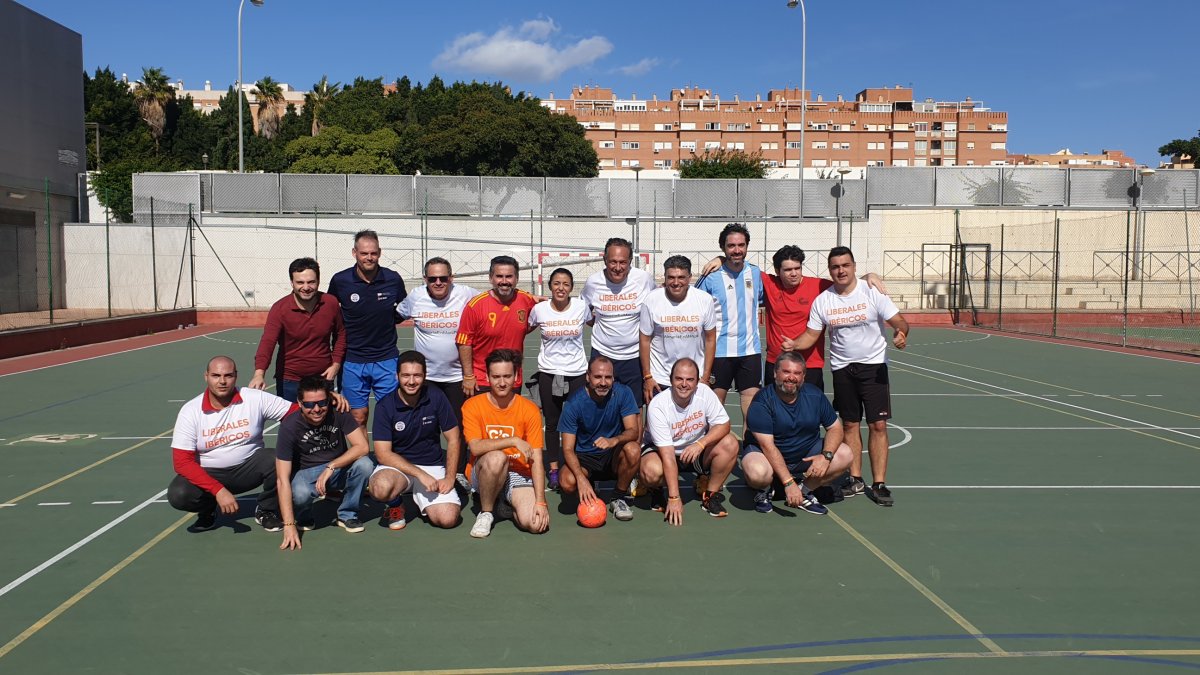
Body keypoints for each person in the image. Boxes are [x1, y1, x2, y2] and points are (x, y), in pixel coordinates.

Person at [792, 246, 909, 506]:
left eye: (845, 265)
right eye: (835, 267)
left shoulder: (872, 292)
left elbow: (900, 322)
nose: (840, 270)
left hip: (873, 367)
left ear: (854, 266)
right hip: (843, 369)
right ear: (830, 270)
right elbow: (812, 334)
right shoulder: (824, 300)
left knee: (878, 425)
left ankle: (879, 483)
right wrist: (792, 345)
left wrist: (901, 334)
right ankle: (855, 478)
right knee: (849, 425)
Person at [701, 245, 887, 393]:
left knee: (811, 415)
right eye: (788, 269)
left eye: (797, 268)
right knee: (775, 414)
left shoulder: (819, 286)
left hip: (810, 363)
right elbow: (737, 261)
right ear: (777, 271)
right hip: (776, 362)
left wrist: (870, 275)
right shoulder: (768, 283)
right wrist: (722, 258)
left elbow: (847, 282)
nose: (794, 273)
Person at [167, 356, 298, 533]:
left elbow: (295, 413)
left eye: (228, 376)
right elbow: (182, 462)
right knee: (179, 494)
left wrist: (328, 400)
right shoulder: (190, 411)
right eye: (216, 375)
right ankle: (208, 510)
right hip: (210, 472)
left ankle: (266, 509)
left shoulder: (253, 399)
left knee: (279, 459)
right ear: (206, 376)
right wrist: (218, 490)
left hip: (249, 468)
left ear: (236, 376)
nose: (222, 381)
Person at [740, 352, 854, 516]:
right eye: (786, 372)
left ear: (803, 376)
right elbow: (767, 446)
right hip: (766, 456)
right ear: (775, 373)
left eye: (797, 373)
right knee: (756, 472)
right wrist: (788, 483)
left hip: (804, 454)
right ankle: (765, 490)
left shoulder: (815, 395)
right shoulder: (762, 401)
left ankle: (805, 490)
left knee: (845, 454)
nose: (791, 378)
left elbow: (835, 428)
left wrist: (825, 456)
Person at [367, 350, 463, 531]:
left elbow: (453, 438)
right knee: (380, 488)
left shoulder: (436, 397)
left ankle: (421, 498)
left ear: (425, 376)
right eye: (406, 375)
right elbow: (382, 454)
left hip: (432, 465)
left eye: (417, 375)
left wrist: (450, 477)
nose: (411, 381)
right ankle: (396, 505)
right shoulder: (385, 405)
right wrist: (420, 474)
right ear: (397, 376)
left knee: (448, 519)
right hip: (397, 467)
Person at [275, 376, 373, 550]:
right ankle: (304, 516)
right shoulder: (289, 426)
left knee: (365, 465)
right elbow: (282, 479)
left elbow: (362, 447)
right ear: (299, 403)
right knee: (300, 492)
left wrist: (331, 466)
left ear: (329, 399)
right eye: (309, 405)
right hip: (307, 472)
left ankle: (347, 514)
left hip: (337, 467)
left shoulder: (339, 412)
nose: (317, 409)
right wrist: (289, 525)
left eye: (322, 403)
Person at [461, 349, 549, 538]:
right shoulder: (472, 406)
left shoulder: (530, 409)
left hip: (518, 474)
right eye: (496, 377)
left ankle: (505, 502)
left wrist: (540, 502)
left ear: (516, 376)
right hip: (484, 469)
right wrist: (513, 440)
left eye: (507, 376)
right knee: (496, 457)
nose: (502, 383)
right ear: (487, 376)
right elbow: (475, 447)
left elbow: (537, 459)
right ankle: (486, 513)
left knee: (535, 524)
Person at [639, 358, 739, 523]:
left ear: (697, 382)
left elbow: (724, 424)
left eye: (690, 379)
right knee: (651, 471)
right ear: (671, 380)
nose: (684, 384)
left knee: (730, 443)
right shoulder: (658, 405)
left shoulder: (705, 393)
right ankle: (657, 490)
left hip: (694, 450)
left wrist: (700, 444)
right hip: (663, 453)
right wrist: (674, 497)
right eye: (679, 379)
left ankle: (710, 496)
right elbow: (668, 455)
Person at [327, 229, 407, 428]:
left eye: (373, 253)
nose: (369, 258)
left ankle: (390, 458)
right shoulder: (340, 280)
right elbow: (330, 313)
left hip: (387, 358)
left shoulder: (393, 278)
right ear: (355, 253)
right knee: (357, 416)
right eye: (364, 253)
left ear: (379, 252)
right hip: (352, 360)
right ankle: (361, 458)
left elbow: (405, 308)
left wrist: (388, 319)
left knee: (392, 413)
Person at [526, 267, 591, 490]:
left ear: (572, 288)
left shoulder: (582, 308)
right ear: (549, 286)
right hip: (549, 373)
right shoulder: (539, 310)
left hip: (577, 373)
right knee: (552, 424)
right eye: (556, 283)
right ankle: (554, 469)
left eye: (565, 284)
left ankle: (579, 466)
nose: (560, 288)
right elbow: (524, 328)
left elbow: (596, 322)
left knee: (579, 422)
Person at [249, 257, 345, 403]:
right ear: (292, 283)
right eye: (300, 282)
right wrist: (259, 373)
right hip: (290, 381)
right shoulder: (280, 309)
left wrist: (336, 364)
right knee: (291, 424)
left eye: (311, 282)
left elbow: (341, 334)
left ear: (318, 281)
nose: (306, 287)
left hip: (323, 378)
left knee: (324, 424)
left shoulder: (330, 303)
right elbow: (268, 342)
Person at [557, 356, 641, 521]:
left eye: (608, 377)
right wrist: (580, 479)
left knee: (633, 449)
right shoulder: (574, 404)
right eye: (597, 377)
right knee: (567, 482)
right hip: (585, 458)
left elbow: (633, 431)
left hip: (612, 455)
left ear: (613, 378)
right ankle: (590, 488)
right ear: (588, 376)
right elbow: (567, 448)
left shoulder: (623, 393)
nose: (603, 382)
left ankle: (618, 497)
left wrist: (614, 441)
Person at [695, 223, 764, 422]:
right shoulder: (711, 276)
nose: (737, 250)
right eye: (731, 246)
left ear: (747, 247)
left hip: (749, 352)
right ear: (723, 248)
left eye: (741, 245)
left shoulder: (756, 273)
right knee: (713, 411)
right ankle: (709, 452)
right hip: (718, 352)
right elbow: (693, 303)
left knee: (752, 413)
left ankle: (751, 450)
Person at [395, 257, 476, 422]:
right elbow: (393, 316)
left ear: (451, 278)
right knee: (425, 426)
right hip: (426, 377)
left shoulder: (466, 294)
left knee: (458, 427)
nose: (438, 283)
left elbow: (494, 298)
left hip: (458, 377)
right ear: (425, 279)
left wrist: (529, 298)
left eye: (443, 278)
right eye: (432, 279)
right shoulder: (415, 297)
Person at [581, 237, 657, 404]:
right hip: (602, 353)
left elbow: (657, 304)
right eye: (612, 262)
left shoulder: (643, 279)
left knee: (635, 407)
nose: (617, 268)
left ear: (630, 261)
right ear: (604, 260)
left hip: (634, 356)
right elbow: (584, 310)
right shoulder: (593, 282)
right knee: (600, 405)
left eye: (623, 262)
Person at [639, 255, 717, 405]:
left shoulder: (704, 300)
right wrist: (648, 377)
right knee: (658, 426)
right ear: (665, 277)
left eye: (681, 277)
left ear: (689, 278)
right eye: (671, 277)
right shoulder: (651, 300)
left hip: (693, 379)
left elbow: (710, 339)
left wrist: (705, 377)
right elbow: (644, 340)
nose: (676, 283)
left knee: (694, 427)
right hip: (660, 379)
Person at [455, 255, 538, 396]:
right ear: (491, 278)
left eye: (509, 276)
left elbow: (539, 316)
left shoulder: (527, 300)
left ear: (516, 278)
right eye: (499, 276)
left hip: (512, 378)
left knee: (510, 418)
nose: (504, 281)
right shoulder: (475, 305)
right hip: (482, 379)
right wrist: (468, 376)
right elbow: (464, 342)